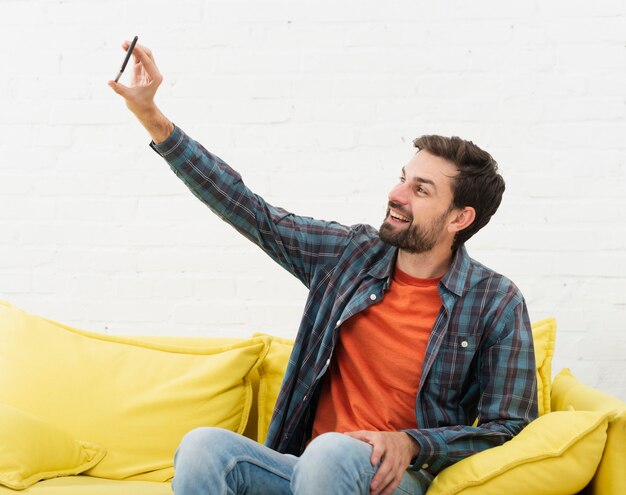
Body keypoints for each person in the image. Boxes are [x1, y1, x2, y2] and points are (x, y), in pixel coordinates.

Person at [109, 41, 538, 495]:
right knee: (203, 448)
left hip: (396, 479)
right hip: (305, 468)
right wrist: (151, 116)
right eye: (402, 178)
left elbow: (507, 428)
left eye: (421, 190)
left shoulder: (495, 301)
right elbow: (253, 213)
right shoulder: (349, 255)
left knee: (332, 452)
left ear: (459, 218)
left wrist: (413, 444)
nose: (397, 194)